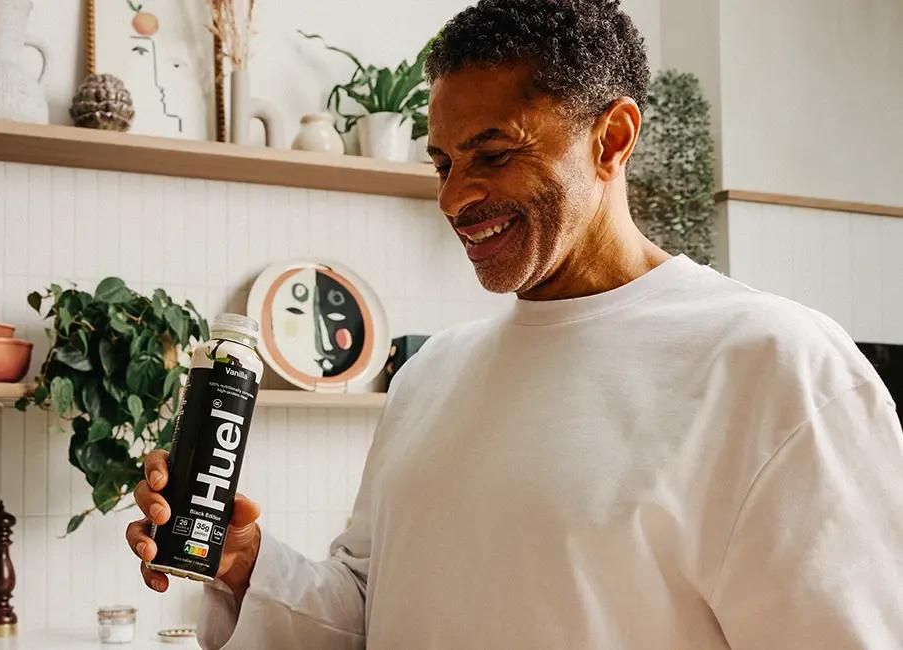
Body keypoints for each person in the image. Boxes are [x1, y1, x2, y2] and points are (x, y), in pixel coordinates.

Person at [126, 0, 903, 647]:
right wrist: (246, 564)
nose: (455, 198)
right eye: (442, 162)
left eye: (492, 154)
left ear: (613, 139)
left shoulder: (778, 368)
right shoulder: (433, 373)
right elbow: (371, 613)